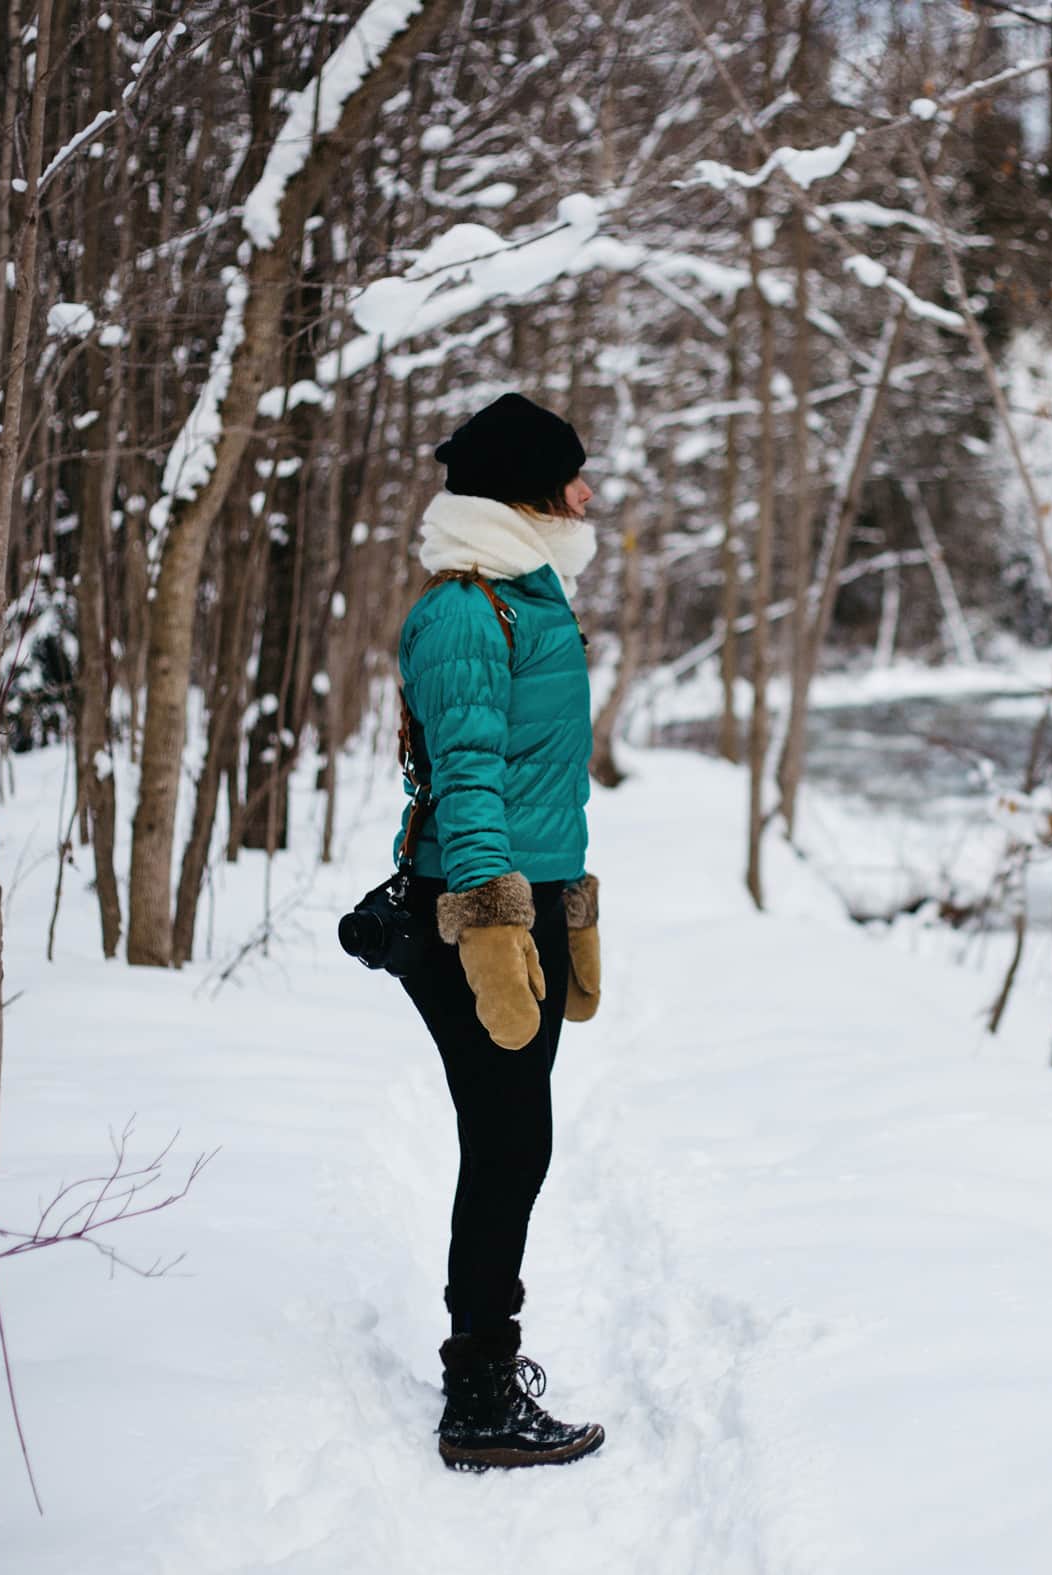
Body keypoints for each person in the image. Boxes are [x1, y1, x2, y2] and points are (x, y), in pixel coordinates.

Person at [394, 392, 606, 1471]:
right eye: (572, 475)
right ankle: (478, 1394)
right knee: (509, 1141)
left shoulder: (531, 595)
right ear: (527, 488)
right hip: (483, 921)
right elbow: (469, 778)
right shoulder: (469, 612)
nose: (588, 491)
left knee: (517, 1141)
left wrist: (568, 900)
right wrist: (490, 930)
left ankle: (484, 1365)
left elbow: (537, 777)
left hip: (535, 908)